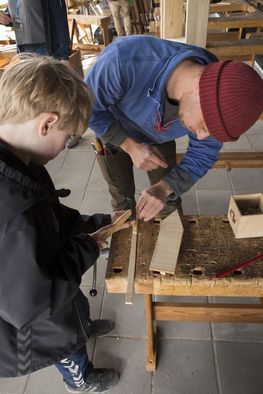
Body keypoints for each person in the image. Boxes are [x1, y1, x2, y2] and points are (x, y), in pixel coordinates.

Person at [0, 54, 131, 393]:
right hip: (34, 322)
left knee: (74, 313)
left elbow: (52, 216)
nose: (66, 146)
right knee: (65, 342)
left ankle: (82, 325)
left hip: (49, 283)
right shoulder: (12, 209)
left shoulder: (18, 163)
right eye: (69, 136)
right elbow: (34, 304)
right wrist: (87, 246)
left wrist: (99, 223)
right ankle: (80, 380)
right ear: (46, 123)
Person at [85, 35, 263, 221]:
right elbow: (86, 109)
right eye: (205, 126)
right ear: (198, 92)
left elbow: (203, 153)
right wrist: (128, 144)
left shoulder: (222, 93)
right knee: (123, 199)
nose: (202, 136)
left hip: (158, 138)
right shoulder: (122, 60)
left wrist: (164, 188)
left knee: (169, 202)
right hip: (111, 130)